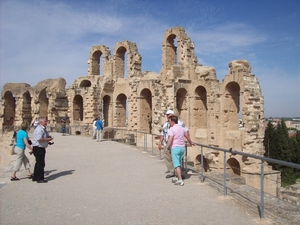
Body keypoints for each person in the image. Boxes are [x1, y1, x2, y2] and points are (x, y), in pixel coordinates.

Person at [158, 109, 192, 179]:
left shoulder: (179, 123)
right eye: (167, 115)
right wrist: (160, 142)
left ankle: (178, 174)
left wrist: (189, 141)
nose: (167, 116)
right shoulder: (165, 123)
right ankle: (171, 171)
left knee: (177, 160)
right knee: (168, 158)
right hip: (167, 143)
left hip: (175, 144)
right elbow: (162, 133)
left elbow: (186, 131)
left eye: (169, 115)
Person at [166, 115, 193, 186]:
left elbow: (170, 138)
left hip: (175, 147)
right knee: (178, 163)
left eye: (170, 121)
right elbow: (187, 136)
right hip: (182, 147)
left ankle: (180, 180)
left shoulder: (172, 129)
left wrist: (167, 147)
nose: (169, 123)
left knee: (176, 164)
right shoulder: (182, 128)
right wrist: (190, 142)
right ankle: (177, 177)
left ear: (172, 121)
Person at [32, 117, 53, 183]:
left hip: (39, 148)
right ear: (41, 122)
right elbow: (39, 139)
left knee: (38, 163)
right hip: (38, 148)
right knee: (41, 163)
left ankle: (35, 177)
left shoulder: (42, 129)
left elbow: (43, 137)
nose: (46, 122)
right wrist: (47, 140)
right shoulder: (39, 130)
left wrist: (48, 140)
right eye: (45, 121)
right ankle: (40, 178)